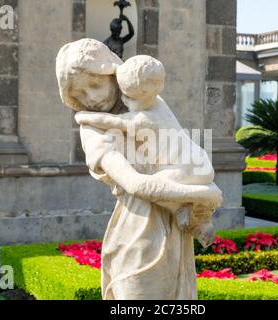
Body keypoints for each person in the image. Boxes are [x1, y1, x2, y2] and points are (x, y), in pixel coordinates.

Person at [56, 39, 222, 300]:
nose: (92, 98)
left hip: (176, 230)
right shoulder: (93, 131)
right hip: (139, 230)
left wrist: (199, 195)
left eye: (95, 84)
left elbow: (181, 150)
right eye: (80, 94)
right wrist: (205, 194)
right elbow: (135, 184)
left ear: (113, 72)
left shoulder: (146, 101)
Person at [75, 55, 218, 248]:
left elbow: (114, 122)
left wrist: (83, 117)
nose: (124, 99)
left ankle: (200, 213)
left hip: (187, 168)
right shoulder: (157, 102)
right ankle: (197, 218)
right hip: (197, 162)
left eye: (129, 97)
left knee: (162, 188)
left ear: (144, 94)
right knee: (169, 194)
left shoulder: (145, 119)